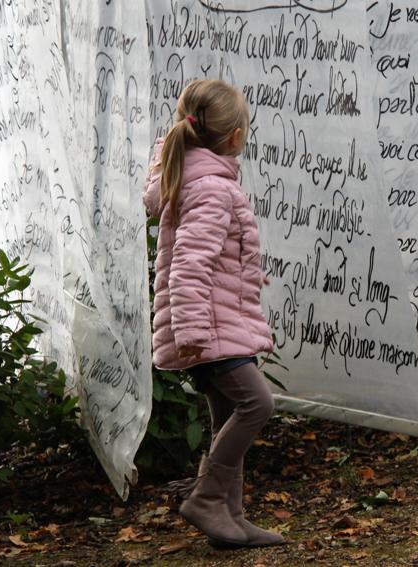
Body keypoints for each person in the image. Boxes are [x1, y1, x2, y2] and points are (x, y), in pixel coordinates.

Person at [143, 79, 284, 549]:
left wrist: (245, 277)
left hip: (216, 323)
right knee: (257, 404)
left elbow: (209, 258)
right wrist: (194, 335)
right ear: (234, 136)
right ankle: (206, 499)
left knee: (229, 415)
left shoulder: (194, 178)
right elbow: (188, 266)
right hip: (208, 330)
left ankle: (231, 519)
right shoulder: (212, 189)